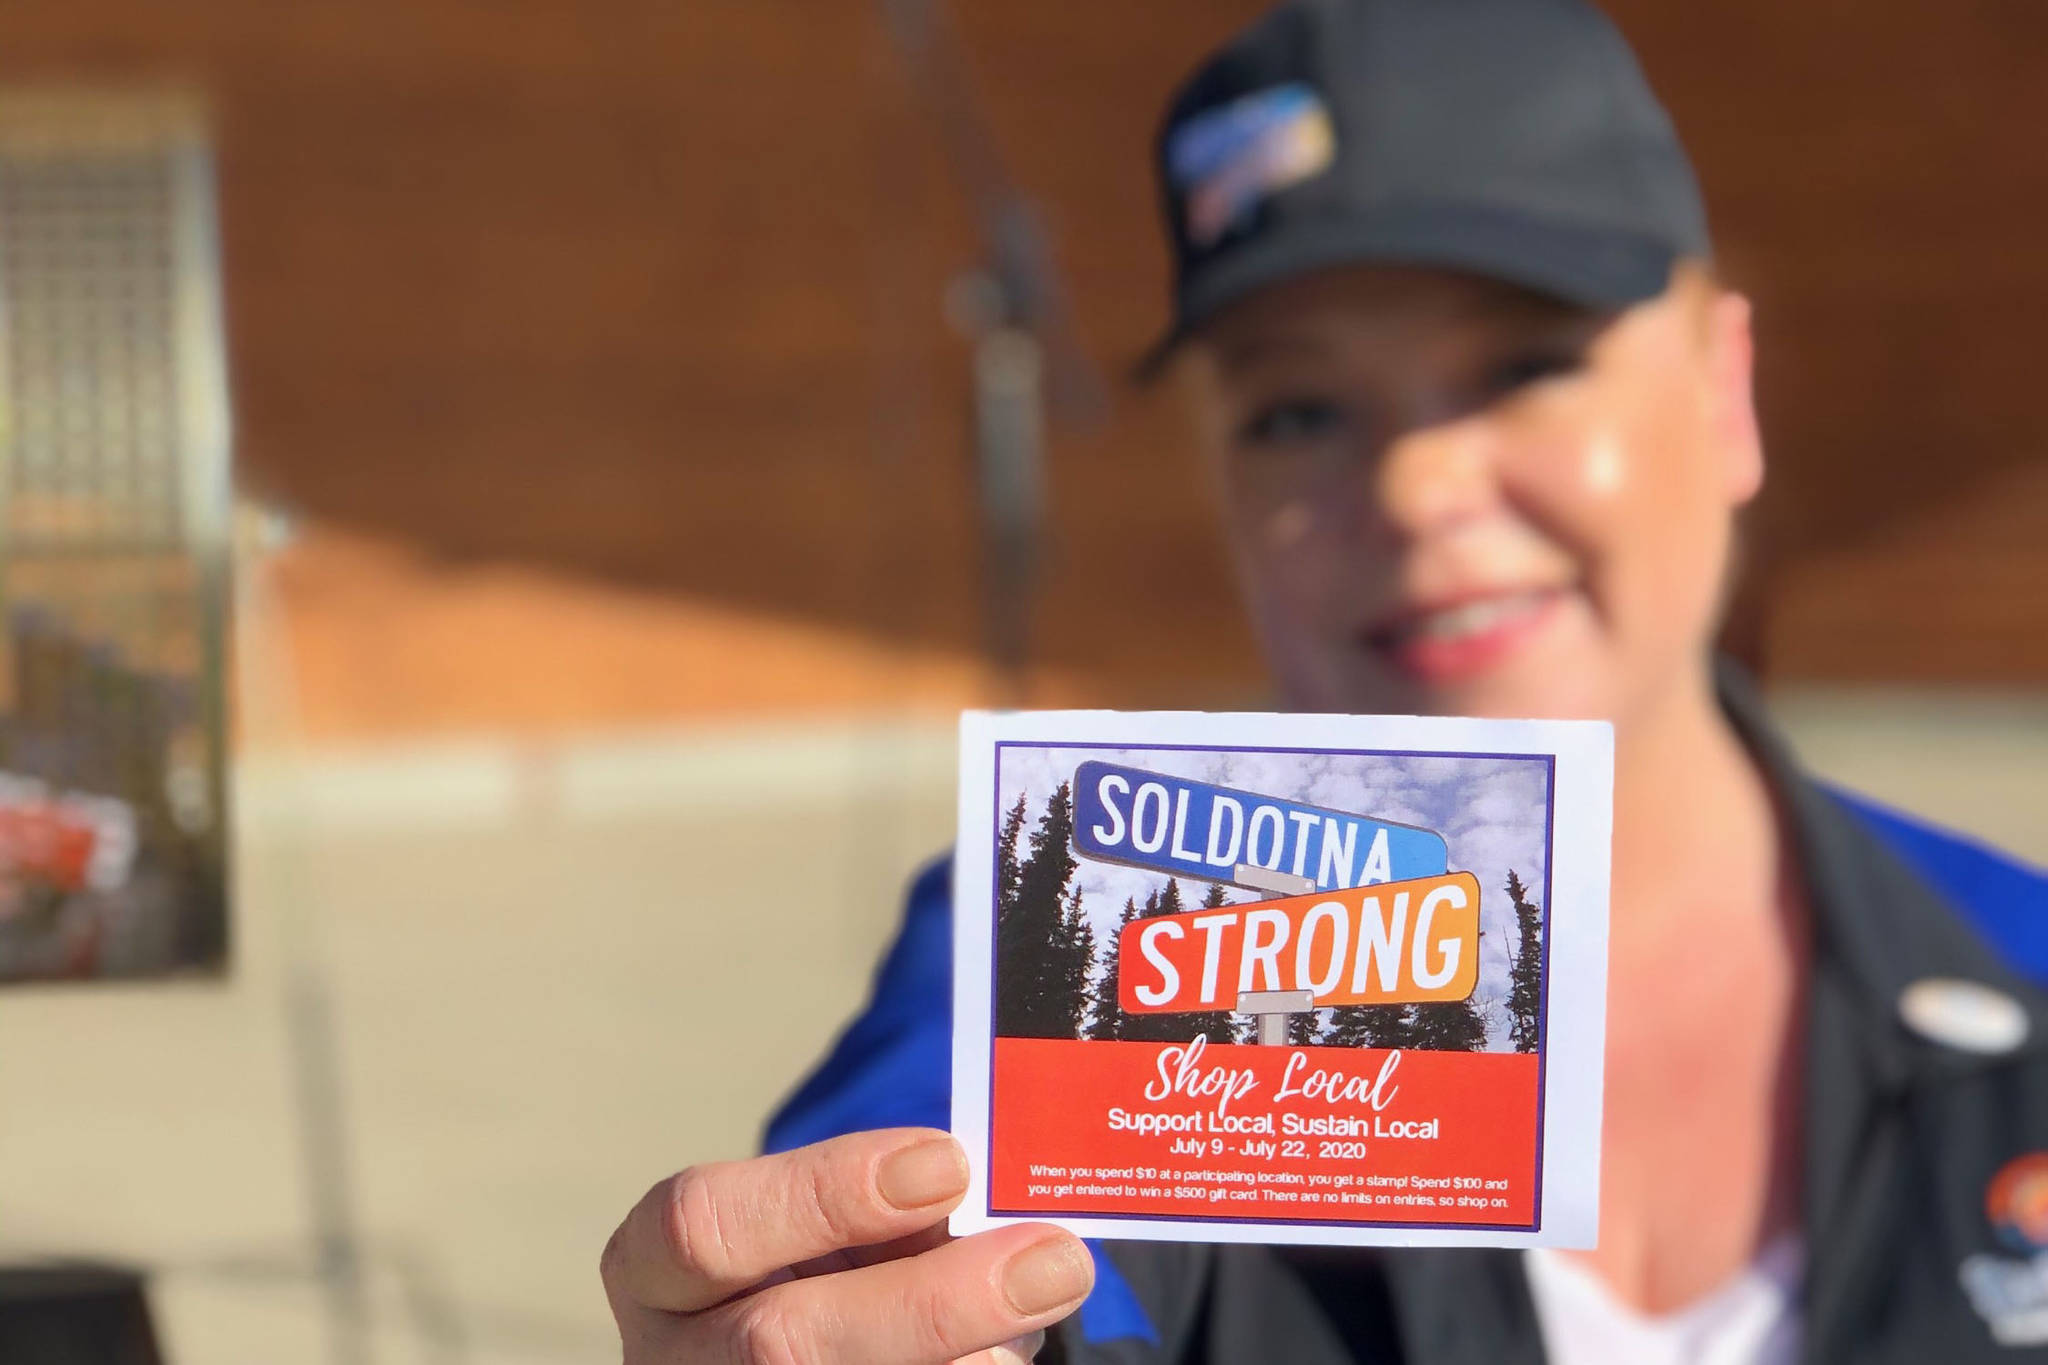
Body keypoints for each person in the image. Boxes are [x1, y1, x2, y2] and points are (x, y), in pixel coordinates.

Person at [599, 0, 2048, 1360]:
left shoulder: (2022, 964)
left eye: (1522, 364)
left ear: (1724, 393)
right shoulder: (1046, 929)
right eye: (1299, 409)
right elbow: (960, 1188)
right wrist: (894, 1307)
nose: (1416, 488)